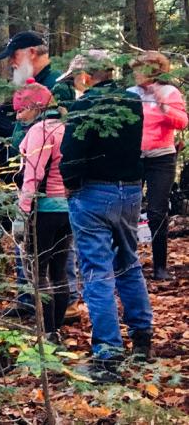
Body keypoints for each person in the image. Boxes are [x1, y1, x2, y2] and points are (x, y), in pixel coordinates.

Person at [60, 50, 152, 382]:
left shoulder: (84, 106)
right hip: (129, 191)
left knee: (97, 271)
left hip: (93, 194)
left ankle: (108, 354)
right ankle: (142, 339)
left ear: (86, 76)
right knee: (128, 263)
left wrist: (69, 184)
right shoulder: (132, 102)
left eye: (75, 79)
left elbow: (71, 153)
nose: (75, 86)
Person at [13, 81, 71, 334]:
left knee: (38, 274)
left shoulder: (41, 131)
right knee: (59, 271)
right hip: (67, 210)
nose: (18, 116)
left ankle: (47, 333)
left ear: (35, 107)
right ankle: (56, 328)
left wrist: (21, 213)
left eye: (21, 110)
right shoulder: (65, 127)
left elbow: (33, 175)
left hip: (44, 210)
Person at [127, 51, 187, 281]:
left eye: (139, 69)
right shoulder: (130, 94)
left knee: (156, 212)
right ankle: (128, 263)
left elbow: (182, 121)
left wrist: (161, 104)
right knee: (128, 211)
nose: (136, 74)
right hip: (133, 158)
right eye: (134, 70)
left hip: (162, 158)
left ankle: (160, 266)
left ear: (154, 70)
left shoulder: (169, 92)